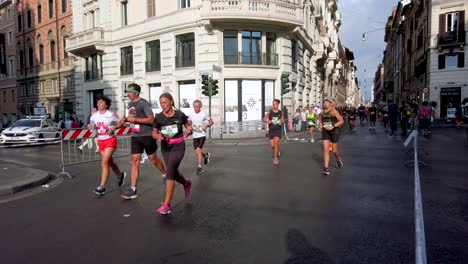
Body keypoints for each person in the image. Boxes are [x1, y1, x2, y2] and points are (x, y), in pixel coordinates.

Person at [120, 83, 166, 200]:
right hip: (135, 136)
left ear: (136, 92)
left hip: (147, 135)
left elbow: (151, 119)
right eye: (127, 92)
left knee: (153, 159)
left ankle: (165, 174)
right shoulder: (130, 104)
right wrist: (125, 119)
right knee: (135, 161)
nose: (128, 94)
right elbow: (131, 118)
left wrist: (134, 119)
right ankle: (133, 189)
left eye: (129, 92)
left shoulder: (143, 103)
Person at [152, 92, 193, 215]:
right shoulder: (158, 117)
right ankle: (186, 183)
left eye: (164, 102)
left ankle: (166, 205)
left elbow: (188, 126)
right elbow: (153, 133)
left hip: (178, 146)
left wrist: (189, 130)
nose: (162, 105)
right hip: (166, 148)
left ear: (171, 102)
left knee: (169, 171)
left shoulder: (180, 115)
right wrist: (157, 136)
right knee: (174, 173)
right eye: (161, 103)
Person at [89, 96, 126, 195]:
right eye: (98, 102)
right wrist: (90, 127)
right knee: (110, 162)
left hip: (110, 140)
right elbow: (92, 128)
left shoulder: (111, 115)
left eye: (101, 102)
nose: (98, 104)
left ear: (106, 105)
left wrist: (114, 128)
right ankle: (120, 175)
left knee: (104, 162)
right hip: (100, 141)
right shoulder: (94, 116)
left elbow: (121, 122)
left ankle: (102, 187)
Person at [319, 98, 344, 175]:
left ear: (330, 104)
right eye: (324, 102)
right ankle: (326, 168)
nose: (325, 104)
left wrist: (333, 126)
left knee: (334, 151)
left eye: (327, 102)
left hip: (334, 131)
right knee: (326, 149)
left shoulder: (333, 111)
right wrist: (320, 126)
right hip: (326, 131)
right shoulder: (323, 111)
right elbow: (321, 120)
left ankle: (338, 159)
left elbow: (341, 120)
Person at [188, 99, 213, 174]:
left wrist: (207, 125)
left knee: (198, 150)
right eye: (194, 106)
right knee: (197, 152)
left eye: (197, 107)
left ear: (200, 107)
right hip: (195, 135)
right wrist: (189, 126)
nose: (196, 108)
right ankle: (205, 155)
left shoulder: (204, 113)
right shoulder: (191, 114)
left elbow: (211, 121)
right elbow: (189, 121)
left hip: (202, 134)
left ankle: (199, 167)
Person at [263, 99, 284, 165]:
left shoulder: (281, 112)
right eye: (273, 104)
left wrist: (281, 122)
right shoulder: (270, 112)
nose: (274, 105)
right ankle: (277, 151)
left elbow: (282, 120)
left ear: (278, 104)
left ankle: (275, 158)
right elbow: (264, 119)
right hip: (271, 130)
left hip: (278, 130)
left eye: (275, 104)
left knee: (275, 143)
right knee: (273, 145)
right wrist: (268, 121)